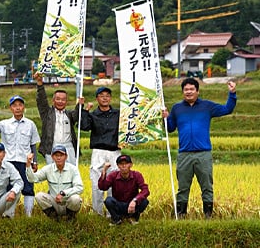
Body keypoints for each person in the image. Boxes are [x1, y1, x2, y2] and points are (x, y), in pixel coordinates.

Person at [163, 78, 237, 219]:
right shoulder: (177, 108)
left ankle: (208, 216)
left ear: (197, 91)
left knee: (207, 187)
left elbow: (227, 109)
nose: (189, 92)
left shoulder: (207, 106)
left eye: (191, 89)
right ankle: (181, 215)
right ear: (183, 92)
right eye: (186, 90)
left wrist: (232, 93)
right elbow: (170, 129)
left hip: (203, 154)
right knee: (183, 187)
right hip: (184, 154)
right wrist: (166, 118)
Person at [0, 95, 40, 216]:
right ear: (11, 108)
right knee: (9, 189)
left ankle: (28, 215)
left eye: (20, 105)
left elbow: (33, 145)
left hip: (25, 162)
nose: (18, 108)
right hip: (8, 162)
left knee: (28, 188)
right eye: (15, 105)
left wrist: (34, 162)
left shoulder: (30, 124)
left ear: (24, 107)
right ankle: (8, 214)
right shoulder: (5, 124)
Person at [81, 86, 120, 217]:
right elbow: (85, 127)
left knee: (114, 184)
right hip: (98, 151)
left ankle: (112, 214)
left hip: (114, 151)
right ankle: (97, 213)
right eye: (101, 95)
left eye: (107, 95)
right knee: (97, 182)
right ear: (97, 98)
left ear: (110, 98)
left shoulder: (118, 114)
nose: (105, 98)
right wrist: (85, 110)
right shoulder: (93, 115)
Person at [34, 73, 84, 165]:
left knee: (71, 174)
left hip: (69, 148)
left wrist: (80, 105)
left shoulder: (69, 114)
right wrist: (40, 83)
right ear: (53, 100)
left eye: (63, 99)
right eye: (58, 99)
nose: (60, 101)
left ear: (66, 101)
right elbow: (41, 100)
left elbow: (77, 115)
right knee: (53, 175)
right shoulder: (47, 113)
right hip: (51, 147)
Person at [26, 145, 83, 221]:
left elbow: (79, 187)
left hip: (67, 202)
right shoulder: (48, 169)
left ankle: (70, 219)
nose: (58, 158)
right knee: (39, 196)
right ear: (52, 157)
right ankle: (55, 219)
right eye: (56, 155)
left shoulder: (73, 169)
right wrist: (28, 165)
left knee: (76, 198)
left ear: (66, 157)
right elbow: (32, 179)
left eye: (61, 155)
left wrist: (63, 193)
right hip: (54, 202)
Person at [98, 154, 150, 226]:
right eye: (121, 164)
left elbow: (145, 190)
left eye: (126, 163)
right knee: (108, 200)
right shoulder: (113, 175)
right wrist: (104, 171)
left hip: (132, 205)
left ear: (131, 165)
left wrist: (135, 200)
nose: (124, 166)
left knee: (144, 201)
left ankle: (133, 217)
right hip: (119, 205)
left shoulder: (137, 175)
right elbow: (103, 187)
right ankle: (116, 219)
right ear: (118, 166)